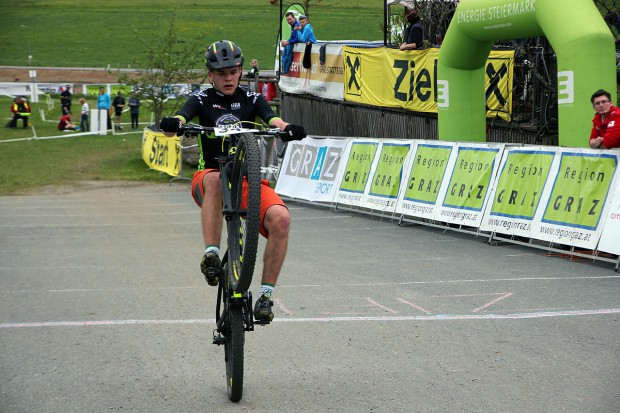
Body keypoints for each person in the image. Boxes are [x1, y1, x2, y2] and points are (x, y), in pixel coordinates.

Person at [159, 40, 307, 322]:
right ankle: (212, 254)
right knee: (215, 180)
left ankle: (265, 296)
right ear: (211, 74)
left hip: (247, 185)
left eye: (234, 71)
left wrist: (287, 129)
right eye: (222, 72)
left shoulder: (251, 99)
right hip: (210, 178)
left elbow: (272, 119)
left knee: (281, 219)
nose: (228, 78)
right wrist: (173, 124)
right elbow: (181, 118)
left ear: (240, 71)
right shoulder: (202, 99)